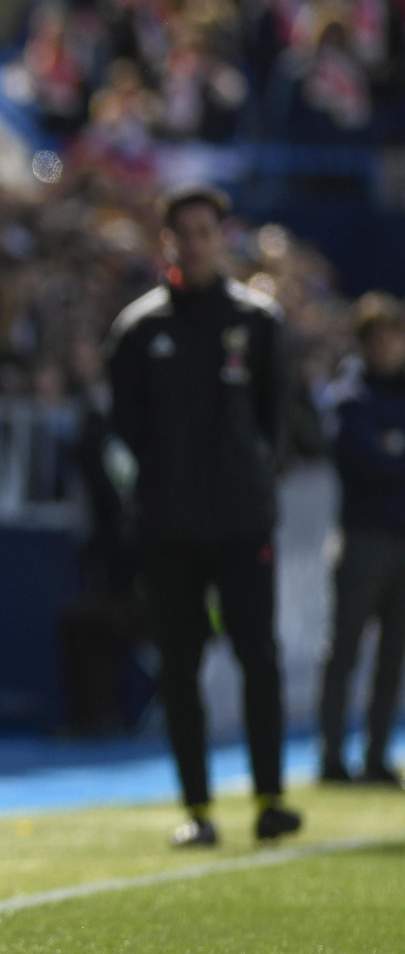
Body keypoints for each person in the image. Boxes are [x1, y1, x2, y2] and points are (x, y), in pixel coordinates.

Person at [107, 186, 302, 848]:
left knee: (259, 656)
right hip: (169, 527)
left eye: (204, 231)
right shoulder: (140, 328)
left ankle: (272, 797)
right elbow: (126, 426)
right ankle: (198, 808)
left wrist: (245, 480)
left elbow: (276, 421)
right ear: (167, 241)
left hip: (244, 523)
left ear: (223, 237)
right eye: (182, 232)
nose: (194, 242)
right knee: (181, 665)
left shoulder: (259, 320)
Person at [316, 292, 405, 786]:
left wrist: (391, 452)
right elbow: (362, 462)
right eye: (377, 339)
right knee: (345, 649)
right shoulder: (350, 397)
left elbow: (383, 459)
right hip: (364, 538)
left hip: (401, 538)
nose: (386, 347)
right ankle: (332, 754)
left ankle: (376, 754)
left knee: (393, 656)